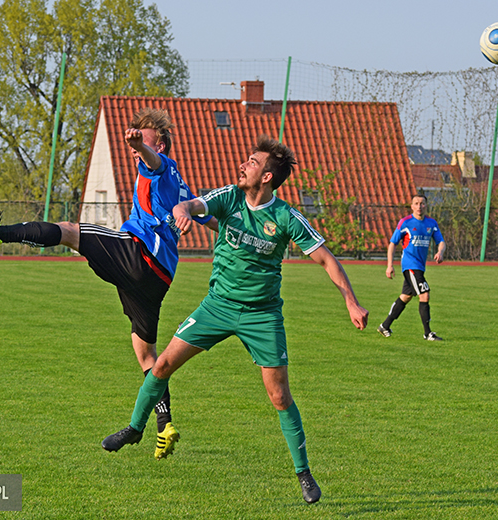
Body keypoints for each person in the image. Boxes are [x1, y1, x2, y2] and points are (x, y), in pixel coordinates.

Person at [100, 135, 369, 504]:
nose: (243, 165)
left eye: (252, 163)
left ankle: (303, 473)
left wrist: (351, 302)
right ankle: (134, 428)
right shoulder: (229, 196)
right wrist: (183, 211)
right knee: (161, 365)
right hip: (217, 306)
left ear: (267, 178)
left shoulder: (286, 217)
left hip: (262, 316)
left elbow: (325, 258)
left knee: (279, 396)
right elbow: (194, 203)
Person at [0, 108, 218, 460]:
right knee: (147, 356)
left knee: (70, 230)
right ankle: (164, 426)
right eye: (132, 143)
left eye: (140, 140)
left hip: (138, 254)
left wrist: (141, 148)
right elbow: (211, 219)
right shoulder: (184, 188)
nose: (133, 148)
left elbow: (153, 161)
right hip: (158, 278)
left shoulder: (161, 164)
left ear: (159, 143)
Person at [378, 194, 446, 341]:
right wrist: (389, 265)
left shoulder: (431, 223)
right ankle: (428, 333)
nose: (419, 206)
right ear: (412, 206)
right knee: (424, 294)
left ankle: (385, 325)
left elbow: (441, 241)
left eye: (422, 203)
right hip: (410, 265)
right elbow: (392, 244)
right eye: (416, 203)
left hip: (420, 266)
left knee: (406, 296)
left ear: (426, 206)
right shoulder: (405, 222)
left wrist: (440, 252)